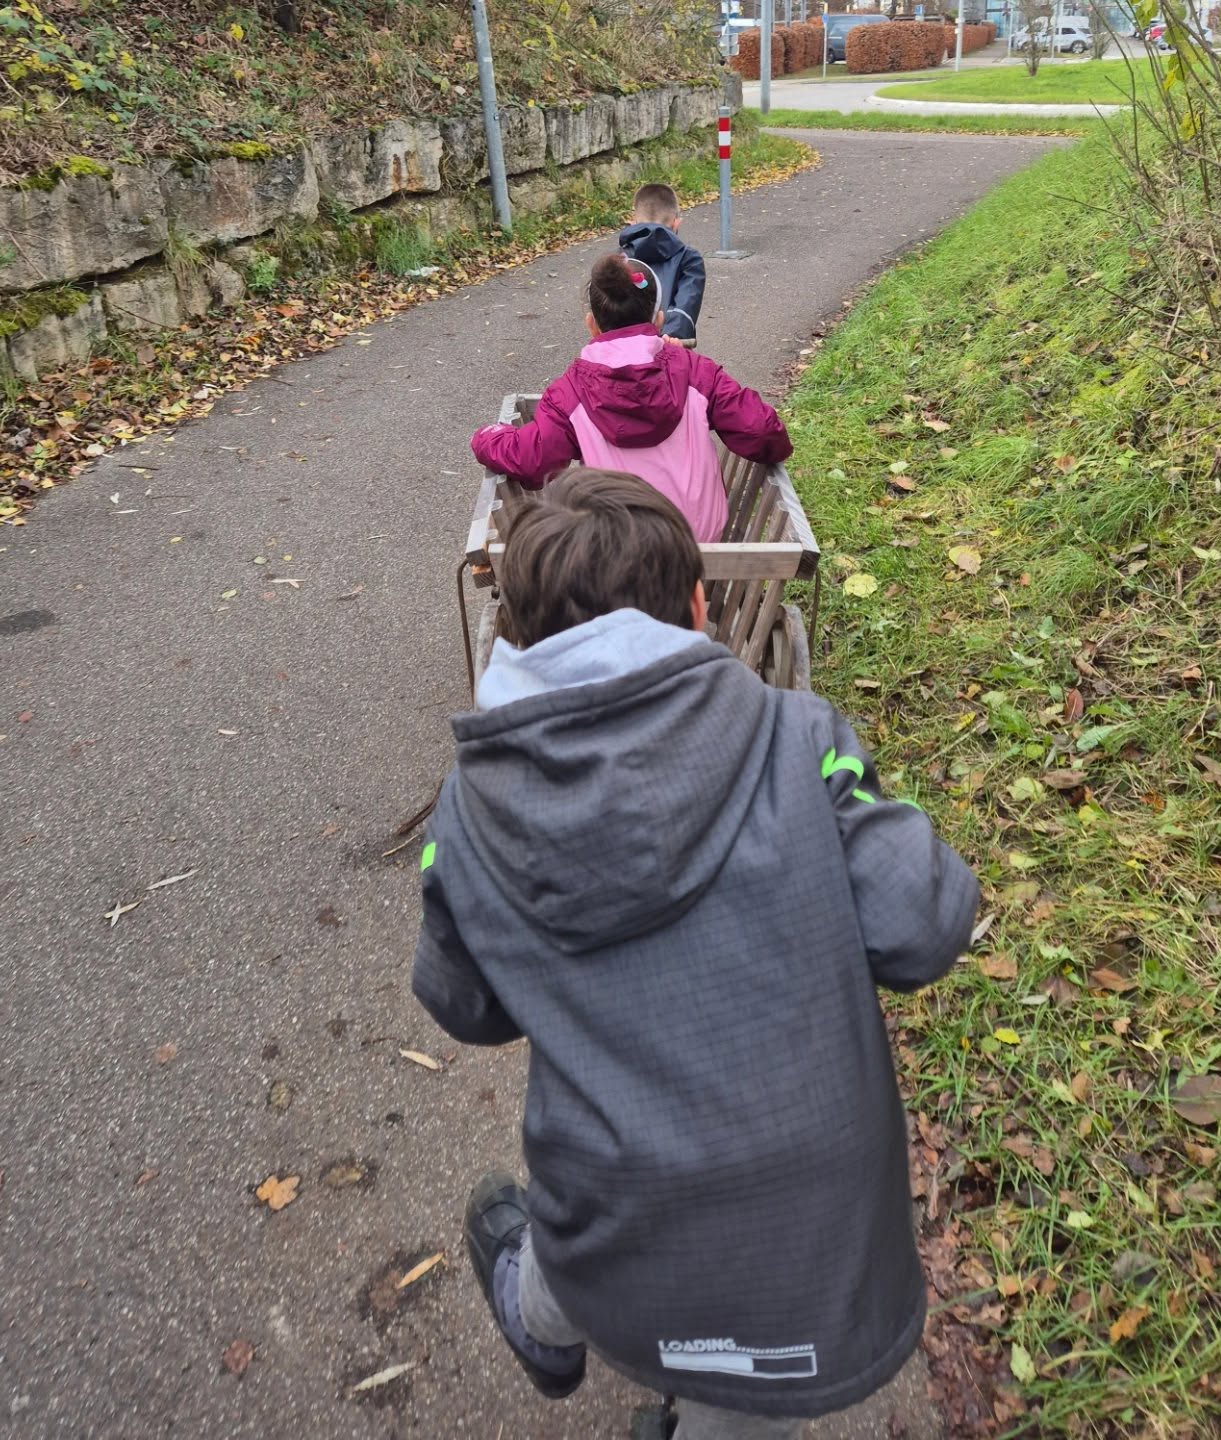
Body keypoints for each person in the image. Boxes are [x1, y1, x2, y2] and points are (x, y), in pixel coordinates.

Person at [411, 469, 981, 1440]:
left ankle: (544, 1322)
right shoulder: (799, 739)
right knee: (750, 1394)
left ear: (517, 634)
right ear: (698, 605)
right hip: (811, 1234)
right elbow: (927, 922)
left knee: (582, 1181)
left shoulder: (469, 811)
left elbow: (465, 1006)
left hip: (617, 1207)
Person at [469, 254, 789, 543]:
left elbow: (531, 460)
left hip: (618, 553)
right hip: (698, 545)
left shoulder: (570, 393)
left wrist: (487, 438)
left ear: (591, 325)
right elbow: (762, 430)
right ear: (659, 319)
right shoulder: (696, 372)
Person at [619, 182, 706, 345]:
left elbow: (603, 305)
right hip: (671, 347)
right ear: (676, 223)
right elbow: (686, 305)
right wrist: (671, 336)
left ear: (633, 223)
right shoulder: (689, 259)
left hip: (621, 349)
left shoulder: (617, 259)